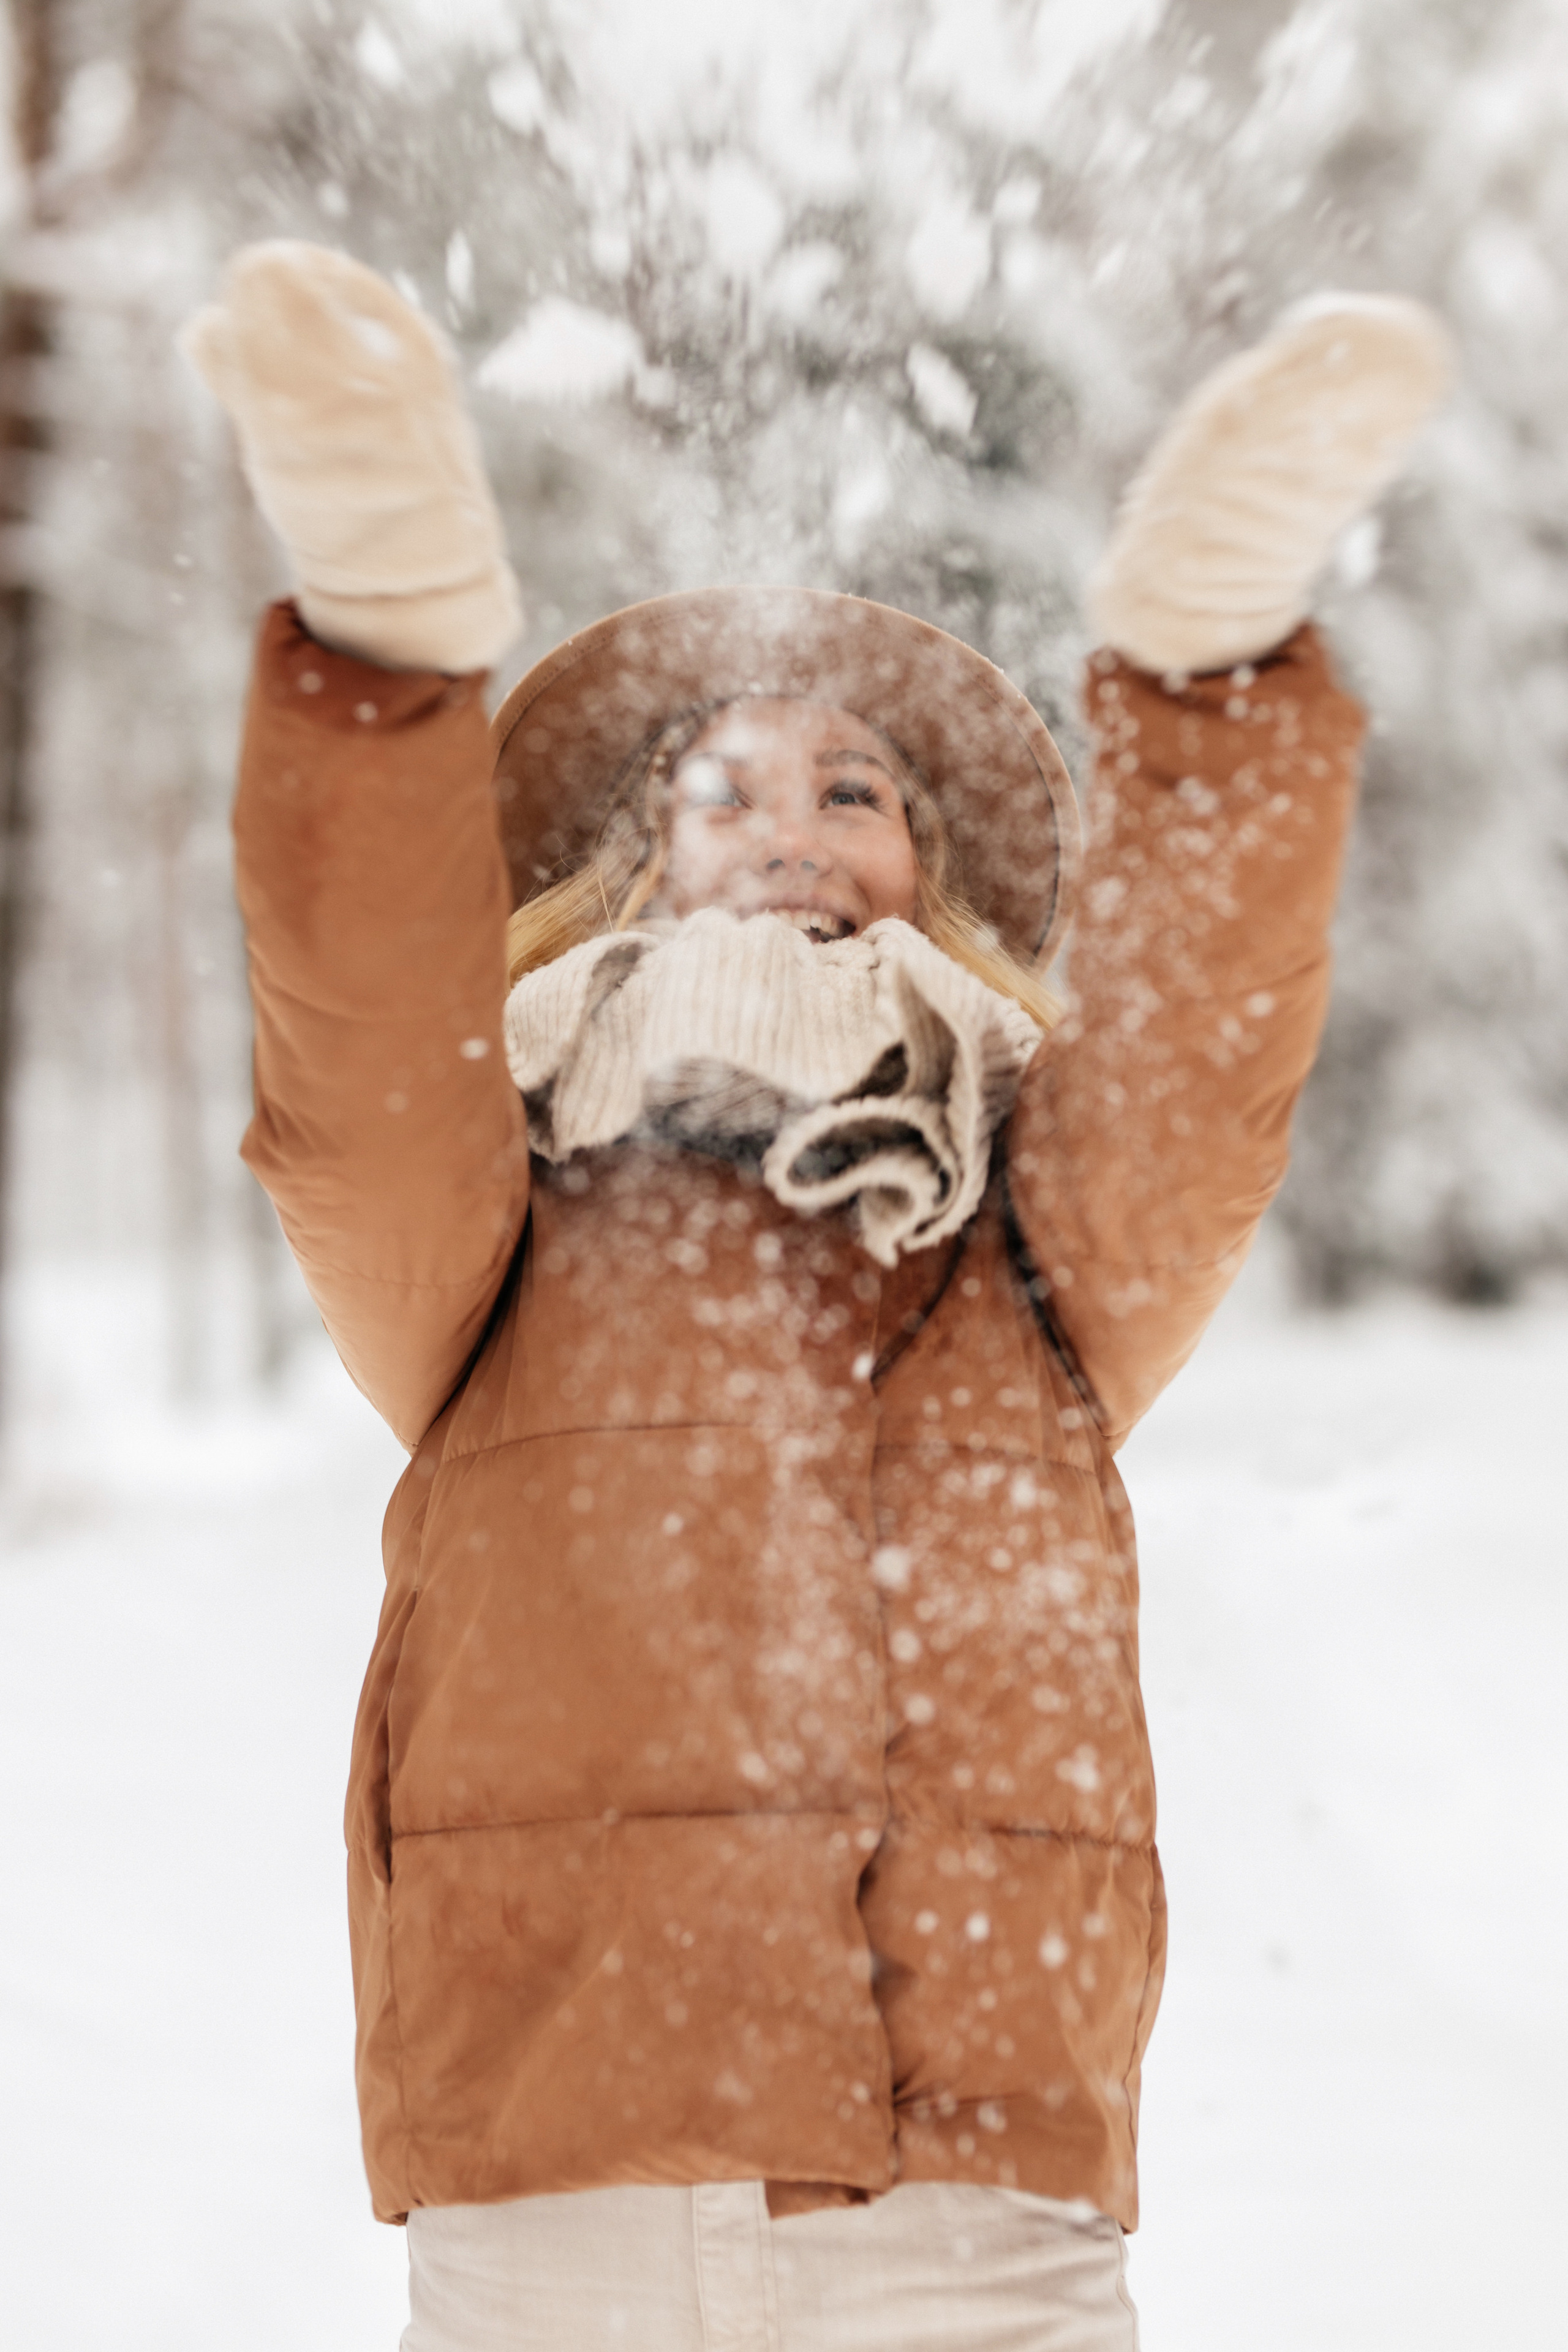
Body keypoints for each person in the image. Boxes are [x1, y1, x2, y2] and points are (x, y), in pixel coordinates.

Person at [184, 247, 1447, 2351]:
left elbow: (1202, 1082)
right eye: (723, 790)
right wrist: (385, 657)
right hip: (560, 2163)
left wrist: (1206, 677)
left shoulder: (1028, 1235)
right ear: (629, 862)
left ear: (928, 877)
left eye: (853, 791)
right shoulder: (509, 1208)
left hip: (976, 2193)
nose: (792, 831)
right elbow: (353, 1080)